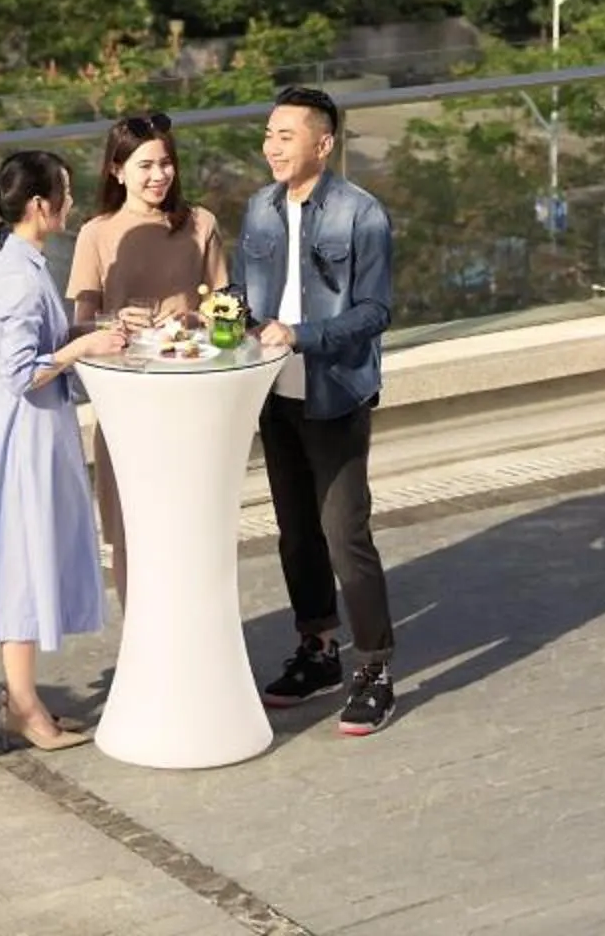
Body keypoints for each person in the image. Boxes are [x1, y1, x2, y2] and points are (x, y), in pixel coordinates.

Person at [235, 84, 397, 737]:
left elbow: (375, 312)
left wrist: (302, 334)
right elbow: (248, 295)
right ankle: (318, 648)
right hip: (274, 395)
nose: (272, 146)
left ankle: (376, 669)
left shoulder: (362, 215)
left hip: (335, 396)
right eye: (269, 134)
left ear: (322, 144)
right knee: (296, 533)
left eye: (286, 135)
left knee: (343, 536)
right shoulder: (259, 210)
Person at [0, 149, 125, 750]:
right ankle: (24, 706)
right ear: (38, 205)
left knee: (27, 557)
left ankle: (24, 699)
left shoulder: (22, 262)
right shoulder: (16, 275)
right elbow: (22, 372)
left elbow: (39, 347)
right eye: (66, 194)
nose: (71, 204)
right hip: (27, 433)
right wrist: (83, 348)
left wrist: (85, 335)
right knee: (23, 563)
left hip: (35, 429)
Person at [69, 111, 230, 606]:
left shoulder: (201, 224)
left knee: (191, 525)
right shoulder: (96, 234)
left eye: (166, 164)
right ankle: (139, 638)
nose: (159, 175)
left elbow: (229, 310)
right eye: (145, 166)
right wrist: (113, 324)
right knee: (128, 529)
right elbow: (79, 327)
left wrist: (195, 321)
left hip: (192, 399)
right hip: (127, 403)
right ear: (117, 171)